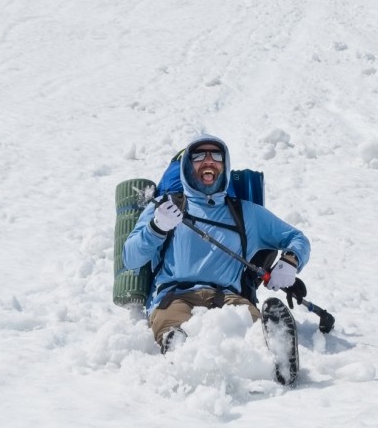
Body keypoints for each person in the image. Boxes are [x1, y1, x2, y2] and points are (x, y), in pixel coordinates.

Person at [122, 135, 310, 353]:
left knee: (252, 334)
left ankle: (273, 351)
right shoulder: (165, 207)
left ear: (225, 164)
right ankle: (178, 352)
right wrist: (156, 228)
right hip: (174, 296)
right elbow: (131, 258)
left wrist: (291, 260)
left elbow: (297, 238)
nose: (208, 160)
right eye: (199, 156)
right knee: (173, 330)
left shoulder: (246, 213)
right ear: (187, 165)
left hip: (231, 299)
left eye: (216, 156)